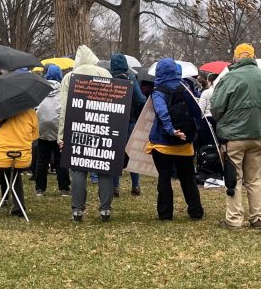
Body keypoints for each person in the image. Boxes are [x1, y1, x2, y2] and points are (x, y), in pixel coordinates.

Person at [210, 43, 261, 229]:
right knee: (256, 179)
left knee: (233, 178)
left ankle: (234, 219)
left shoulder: (229, 78)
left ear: (236, 58)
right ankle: (258, 217)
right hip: (259, 135)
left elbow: (216, 107)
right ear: (253, 57)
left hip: (233, 137)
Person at [58, 45, 115, 222]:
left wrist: (62, 136)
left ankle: (77, 210)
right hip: (103, 126)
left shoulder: (69, 77)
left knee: (78, 170)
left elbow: (64, 108)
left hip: (77, 128)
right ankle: (105, 209)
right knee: (104, 169)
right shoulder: (105, 75)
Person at [146, 58, 205, 221]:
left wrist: (171, 130)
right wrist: (194, 133)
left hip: (162, 142)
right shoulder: (186, 88)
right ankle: (196, 211)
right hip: (184, 143)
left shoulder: (158, 91)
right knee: (188, 177)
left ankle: (165, 214)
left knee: (164, 177)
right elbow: (197, 112)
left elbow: (161, 111)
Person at [0, 106, 39, 218]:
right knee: (15, 173)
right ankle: (19, 207)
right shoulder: (31, 113)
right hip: (22, 160)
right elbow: (34, 142)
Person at [109, 53, 142, 196]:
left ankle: (115, 187)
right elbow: (141, 99)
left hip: (114, 122)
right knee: (132, 153)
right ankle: (135, 186)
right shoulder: (131, 78)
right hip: (131, 121)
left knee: (115, 154)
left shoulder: (108, 79)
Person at [34, 64, 69, 196]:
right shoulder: (63, 90)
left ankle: (40, 187)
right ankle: (64, 187)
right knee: (61, 159)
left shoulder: (41, 89)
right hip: (58, 129)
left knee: (42, 159)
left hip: (42, 129)